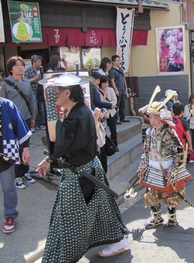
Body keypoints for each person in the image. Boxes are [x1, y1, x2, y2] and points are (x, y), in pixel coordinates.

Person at [35, 73, 129, 261]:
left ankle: (61, 258)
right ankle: (119, 240)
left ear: (67, 93)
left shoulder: (77, 114)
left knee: (70, 222)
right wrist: (49, 160)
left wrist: (51, 109)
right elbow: (63, 143)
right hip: (88, 170)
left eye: (55, 92)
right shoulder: (80, 111)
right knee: (100, 212)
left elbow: (55, 139)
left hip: (80, 175)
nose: (53, 95)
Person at [137, 88, 191, 229]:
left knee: (170, 194)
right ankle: (157, 218)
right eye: (151, 117)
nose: (153, 121)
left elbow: (178, 153)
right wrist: (142, 167)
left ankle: (172, 218)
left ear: (162, 117)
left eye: (156, 117)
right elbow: (146, 152)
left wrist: (172, 171)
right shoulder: (148, 131)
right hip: (152, 167)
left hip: (166, 168)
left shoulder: (168, 133)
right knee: (151, 194)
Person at [0, 56, 36, 189]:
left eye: (22, 65)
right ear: (11, 68)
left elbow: (31, 101)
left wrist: (33, 117)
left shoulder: (26, 82)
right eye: (17, 65)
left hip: (25, 118)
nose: (21, 67)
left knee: (26, 147)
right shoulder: (5, 83)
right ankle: (16, 176)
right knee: (14, 149)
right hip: (10, 122)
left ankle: (24, 171)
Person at [0, 96, 31, 234]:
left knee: (8, 186)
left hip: (6, 151)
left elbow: (20, 127)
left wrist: (25, 148)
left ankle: (10, 214)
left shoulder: (8, 105)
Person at [99, 75, 119, 152]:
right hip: (103, 113)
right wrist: (107, 106)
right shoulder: (98, 91)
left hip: (112, 112)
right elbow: (100, 103)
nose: (105, 85)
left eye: (107, 83)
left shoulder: (110, 90)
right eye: (104, 83)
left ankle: (115, 145)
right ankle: (106, 147)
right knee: (103, 130)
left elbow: (115, 100)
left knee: (113, 130)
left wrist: (109, 106)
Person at [24, 55, 44, 131]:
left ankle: (40, 124)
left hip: (40, 91)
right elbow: (25, 82)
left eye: (40, 61)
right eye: (38, 61)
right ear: (34, 62)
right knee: (34, 108)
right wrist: (34, 79)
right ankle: (33, 126)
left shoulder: (41, 70)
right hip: (32, 91)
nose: (40, 63)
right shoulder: (28, 71)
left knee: (41, 109)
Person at [109, 55, 129, 124]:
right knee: (117, 105)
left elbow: (123, 79)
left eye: (119, 60)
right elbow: (112, 80)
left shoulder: (120, 69)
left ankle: (122, 118)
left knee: (122, 105)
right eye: (117, 60)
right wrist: (116, 90)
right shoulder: (112, 71)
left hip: (123, 89)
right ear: (113, 62)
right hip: (117, 89)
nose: (119, 62)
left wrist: (126, 87)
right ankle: (116, 119)